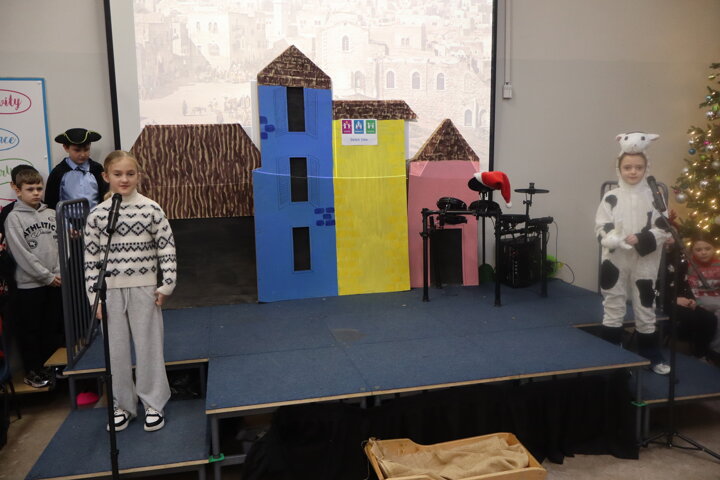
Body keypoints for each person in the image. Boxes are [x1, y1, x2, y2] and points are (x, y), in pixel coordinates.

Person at [84, 150, 177, 432]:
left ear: (138, 176)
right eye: (118, 174)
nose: (124, 179)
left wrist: (167, 283)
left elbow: (166, 247)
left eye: (130, 174)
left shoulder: (151, 209)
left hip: (143, 288)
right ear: (106, 176)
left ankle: (153, 403)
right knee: (116, 352)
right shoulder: (97, 215)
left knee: (149, 347)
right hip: (110, 292)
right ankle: (122, 405)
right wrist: (94, 297)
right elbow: (91, 258)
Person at [595, 135, 672, 375]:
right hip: (615, 258)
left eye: (638, 167)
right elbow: (601, 226)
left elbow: (663, 227)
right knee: (613, 302)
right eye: (628, 167)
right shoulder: (611, 197)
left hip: (645, 259)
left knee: (645, 304)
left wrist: (642, 238)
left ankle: (650, 354)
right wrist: (614, 238)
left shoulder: (654, 197)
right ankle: (611, 354)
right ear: (619, 169)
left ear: (646, 168)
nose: (633, 172)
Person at [4, 169, 63, 388]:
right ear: (18, 190)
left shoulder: (51, 214)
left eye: (39, 188)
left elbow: (61, 245)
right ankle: (33, 370)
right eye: (30, 189)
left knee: (51, 327)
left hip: (55, 281)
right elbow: (21, 254)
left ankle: (52, 367)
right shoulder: (14, 218)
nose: (36, 193)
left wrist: (57, 273)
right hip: (30, 286)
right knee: (31, 331)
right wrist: (46, 276)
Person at [45, 128, 108, 210]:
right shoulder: (58, 172)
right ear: (66, 148)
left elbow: (105, 195)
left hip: (95, 216)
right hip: (67, 217)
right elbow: (50, 202)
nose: (82, 154)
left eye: (86, 149)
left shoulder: (97, 169)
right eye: (77, 150)